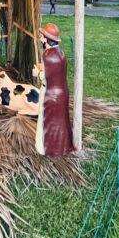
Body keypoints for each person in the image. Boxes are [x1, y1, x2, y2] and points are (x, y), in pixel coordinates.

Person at [33, 23, 73, 157]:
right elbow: (55, 71)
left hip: (50, 95)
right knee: (61, 122)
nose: (40, 39)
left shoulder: (48, 55)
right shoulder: (60, 53)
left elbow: (45, 78)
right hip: (62, 93)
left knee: (48, 122)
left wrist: (37, 73)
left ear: (45, 39)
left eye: (41, 37)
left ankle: (47, 149)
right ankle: (63, 146)